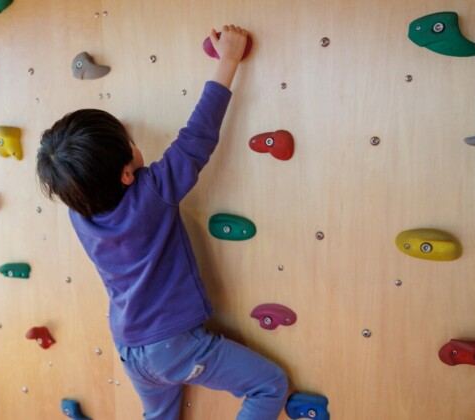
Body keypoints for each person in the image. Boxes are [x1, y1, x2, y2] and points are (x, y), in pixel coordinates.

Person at [36, 25, 288, 420]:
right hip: (173, 347)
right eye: (129, 142)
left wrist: (105, 156)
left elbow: (89, 177)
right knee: (268, 385)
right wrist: (228, 60)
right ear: (125, 174)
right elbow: (196, 138)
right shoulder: (152, 193)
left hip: (131, 349)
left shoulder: (79, 214)